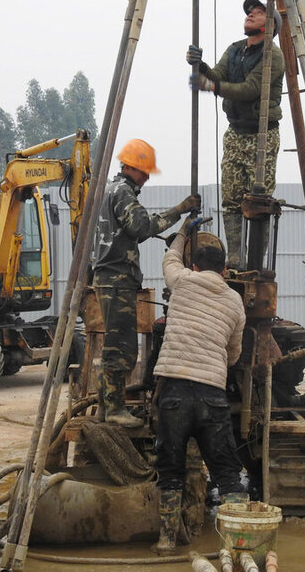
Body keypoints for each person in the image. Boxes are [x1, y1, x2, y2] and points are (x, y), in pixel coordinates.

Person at [150, 220, 247, 554]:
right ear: (224, 271)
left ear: (194, 266)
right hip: (212, 396)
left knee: (171, 470)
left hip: (173, 393)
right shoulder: (235, 302)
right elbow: (234, 355)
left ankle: (165, 541)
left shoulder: (183, 281)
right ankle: (237, 543)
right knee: (227, 471)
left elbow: (169, 261)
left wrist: (180, 235)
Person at [92, 139, 200, 427]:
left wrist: (164, 233)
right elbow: (140, 227)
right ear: (130, 167)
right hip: (116, 279)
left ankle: (107, 407)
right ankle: (114, 410)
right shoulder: (123, 192)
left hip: (112, 278)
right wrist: (179, 211)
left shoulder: (113, 191)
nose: (148, 177)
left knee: (118, 346)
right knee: (121, 348)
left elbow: (130, 231)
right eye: (144, 171)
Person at [187, 0, 285, 267]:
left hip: (261, 136)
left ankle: (254, 262)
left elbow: (249, 90)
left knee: (258, 202)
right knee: (231, 199)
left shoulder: (272, 57)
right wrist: (200, 65)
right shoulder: (235, 49)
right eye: (250, 11)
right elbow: (218, 74)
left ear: (271, 25)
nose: (250, 14)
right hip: (235, 133)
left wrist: (212, 87)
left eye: (259, 12)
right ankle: (234, 258)